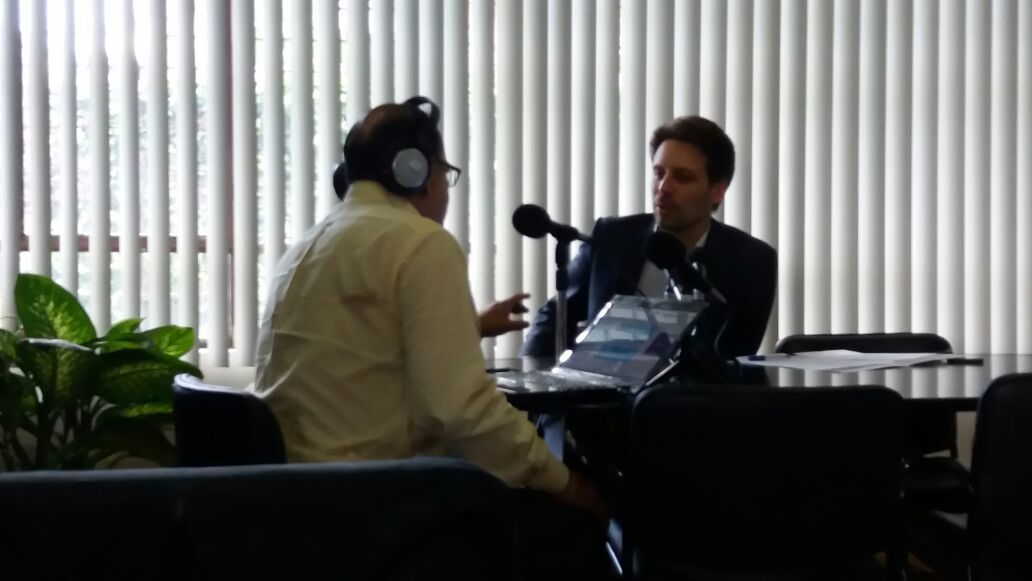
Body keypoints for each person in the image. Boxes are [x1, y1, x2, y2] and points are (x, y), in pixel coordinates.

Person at [253, 96, 611, 580]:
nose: (445, 186)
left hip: (298, 509)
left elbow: (362, 348)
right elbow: (459, 410)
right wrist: (565, 482)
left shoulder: (308, 246)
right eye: (444, 171)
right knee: (574, 523)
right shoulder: (420, 243)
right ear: (415, 171)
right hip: (378, 508)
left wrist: (471, 326)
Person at [522, 115, 777, 361]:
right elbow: (554, 319)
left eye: (683, 177)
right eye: (659, 173)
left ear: (717, 191)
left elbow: (735, 359)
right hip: (604, 386)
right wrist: (528, 381)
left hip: (698, 390)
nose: (664, 187)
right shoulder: (611, 237)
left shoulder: (752, 261)